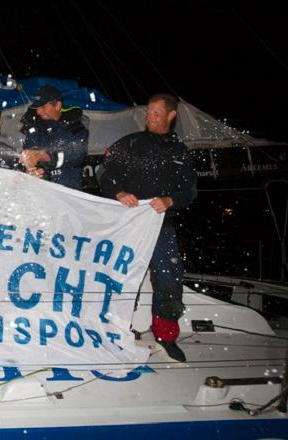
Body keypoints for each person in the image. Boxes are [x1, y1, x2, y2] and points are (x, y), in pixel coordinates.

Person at [97, 93, 197, 362]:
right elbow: (103, 172)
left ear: (171, 115)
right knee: (119, 276)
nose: (150, 117)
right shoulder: (130, 143)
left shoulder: (180, 153)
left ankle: (165, 335)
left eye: (155, 113)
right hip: (128, 224)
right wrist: (118, 192)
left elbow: (189, 191)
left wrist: (171, 200)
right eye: (148, 112)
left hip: (161, 227)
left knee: (168, 276)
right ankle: (114, 329)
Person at [19, 84, 89, 190]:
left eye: (43, 107)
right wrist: (30, 169)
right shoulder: (33, 129)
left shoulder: (75, 127)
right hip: (41, 191)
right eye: (37, 107)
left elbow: (76, 154)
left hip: (69, 191)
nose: (38, 111)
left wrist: (43, 156)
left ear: (57, 106)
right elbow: (28, 154)